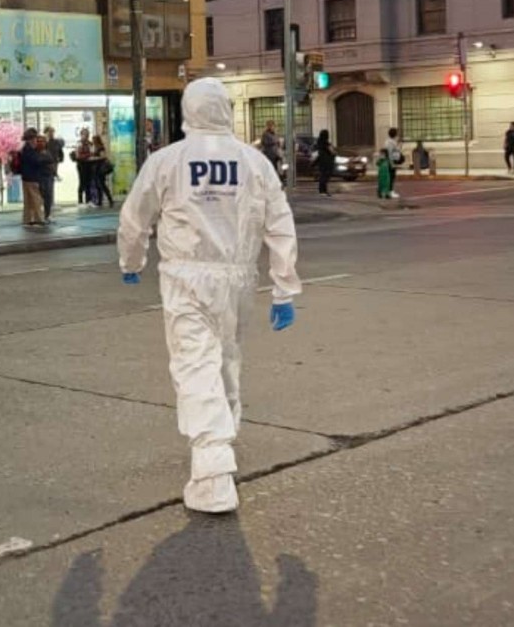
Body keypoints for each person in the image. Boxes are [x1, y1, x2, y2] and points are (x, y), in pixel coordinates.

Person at [117, 77, 301, 513]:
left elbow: (135, 218)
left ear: (188, 109)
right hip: (237, 278)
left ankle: (213, 474)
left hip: (186, 276)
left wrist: (131, 262)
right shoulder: (254, 162)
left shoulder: (168, 160)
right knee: (225, 361)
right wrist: (283, 288)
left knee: (195, 363)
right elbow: (280, 224)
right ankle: (223, 437)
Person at [19, 128, 46, 226]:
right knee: (36, 199)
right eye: (34, 138)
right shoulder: (30, 150)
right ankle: (39, 219)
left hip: (25, 177)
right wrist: (41, 156)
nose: (36, 140)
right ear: (30, 139)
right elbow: (36, 162)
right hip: (32, 177)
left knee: (28, 200)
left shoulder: (24, 149)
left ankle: (27, 219)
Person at [42, 126, 65, 223]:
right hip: (46, 166)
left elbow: (60, 152)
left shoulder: (56, 142)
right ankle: (47, 205)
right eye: (49, 132)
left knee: (51, 184)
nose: (51, 134)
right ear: (46, 133)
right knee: (46, 186)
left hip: (54, 164)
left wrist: (60, 159)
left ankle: (51, 203)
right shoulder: (43, 142)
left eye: (52, 132)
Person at [91, 135, 115, 207]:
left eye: (94, 140)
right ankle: (100, 201)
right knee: (98, 185)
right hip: (97, 168)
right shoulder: (96, 147)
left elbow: (103, 156)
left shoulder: (100, 148)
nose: (93, 141)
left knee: (102, 185)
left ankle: (109, 200)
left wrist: (94, 158)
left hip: (100, 168)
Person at [73, 128, 94, 206]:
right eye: (85, 134)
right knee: (82, 182)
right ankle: (80, 201)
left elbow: (92, 152)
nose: (87, 136)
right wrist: (88, 155)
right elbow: (78, 156)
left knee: (89, 183)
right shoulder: (79, 143)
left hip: (89, 164)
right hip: (81, 165)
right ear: (81, 135)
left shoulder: (90, 143)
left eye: (88, 134)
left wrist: (91, 154)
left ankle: (89, 200)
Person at [314, 130, 336, 197]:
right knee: (325, 176)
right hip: (327, 162)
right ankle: (323, 191)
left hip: (321, 162)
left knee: (322, 176)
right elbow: (332, 152)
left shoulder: (319, 142)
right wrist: (333, 153)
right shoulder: (326, 143)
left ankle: (322, 190)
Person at [383, 127, 403, 198]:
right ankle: (390, 192)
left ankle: (389, 191)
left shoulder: (391, 142)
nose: (398, 135)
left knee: (391, 177)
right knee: (391, 177)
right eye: (397, 133)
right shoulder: (390, 143)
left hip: (391, 161)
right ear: (395, 134)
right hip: (391, 162)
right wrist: (392, 163)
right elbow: (390, 153)